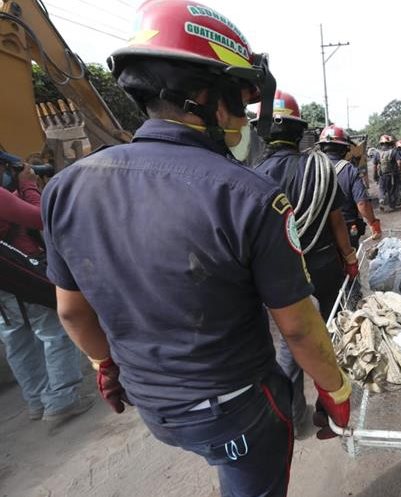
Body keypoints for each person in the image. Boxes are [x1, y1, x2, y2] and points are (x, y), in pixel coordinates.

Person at [41, 3, 351, 496]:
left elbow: (72, 313)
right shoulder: (249, 196)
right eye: (240, 104)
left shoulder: (66, 187)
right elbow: (297, 324)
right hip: (236, 411)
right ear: (207, 97)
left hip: (152, 405)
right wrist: (336, 390)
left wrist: (104, 364)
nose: (245, 120)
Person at [252, 91, 357, 437]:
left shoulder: (252, 177)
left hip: (277, 276)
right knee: (329, 337)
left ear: (264, 132)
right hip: (324, 266)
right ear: (300, 133)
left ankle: (291, 416)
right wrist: (351, 257)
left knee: (290, 344)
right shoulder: (320, 169)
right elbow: (337, 221)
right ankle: (330, 414)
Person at [0, 153, 91, 422]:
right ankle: (61, 398)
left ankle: (37, 401)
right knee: (54, 332)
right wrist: (28, 185)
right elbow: (41, 217)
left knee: (17, 339)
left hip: (3, 287)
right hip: (22, 277)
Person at [318, 124, 382, 249]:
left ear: (322, 147)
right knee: (349, 261)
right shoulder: (350, 170)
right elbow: (362, 204)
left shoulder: (313, 168)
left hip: (319, 229)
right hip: (347, 227)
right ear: (345, 149)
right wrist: (374, 224)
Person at [374, 135, 401, 212]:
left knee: (381, 189)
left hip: (382, 175)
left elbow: (375, 165)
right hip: (392, 175)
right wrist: (400, 172)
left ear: (381, 143)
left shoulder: (377, 153)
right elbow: (399, 163)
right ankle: (391, 205)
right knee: (392, 190)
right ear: (389, 143)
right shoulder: (394, 151)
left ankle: (381, 199)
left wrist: (375, 175)